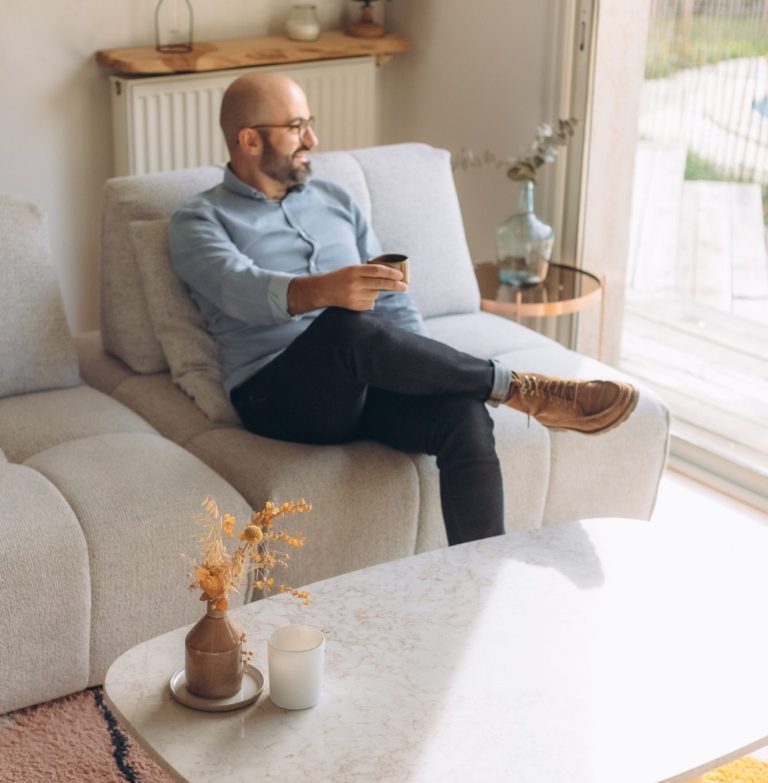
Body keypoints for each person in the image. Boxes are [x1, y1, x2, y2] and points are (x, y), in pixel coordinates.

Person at [169, 72, 638, 546]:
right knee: (345, 327)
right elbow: (239, 290)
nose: (313, 139)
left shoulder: (335, 200)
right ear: (249, 139)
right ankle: (525, 389)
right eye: (296, 127)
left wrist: (429, 373)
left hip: (365, 380)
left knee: (463, 412)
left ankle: (481, 575)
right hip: (275, 394)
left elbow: (391, 298)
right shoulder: (199, 219)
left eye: (309, 123)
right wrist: (325, 290)